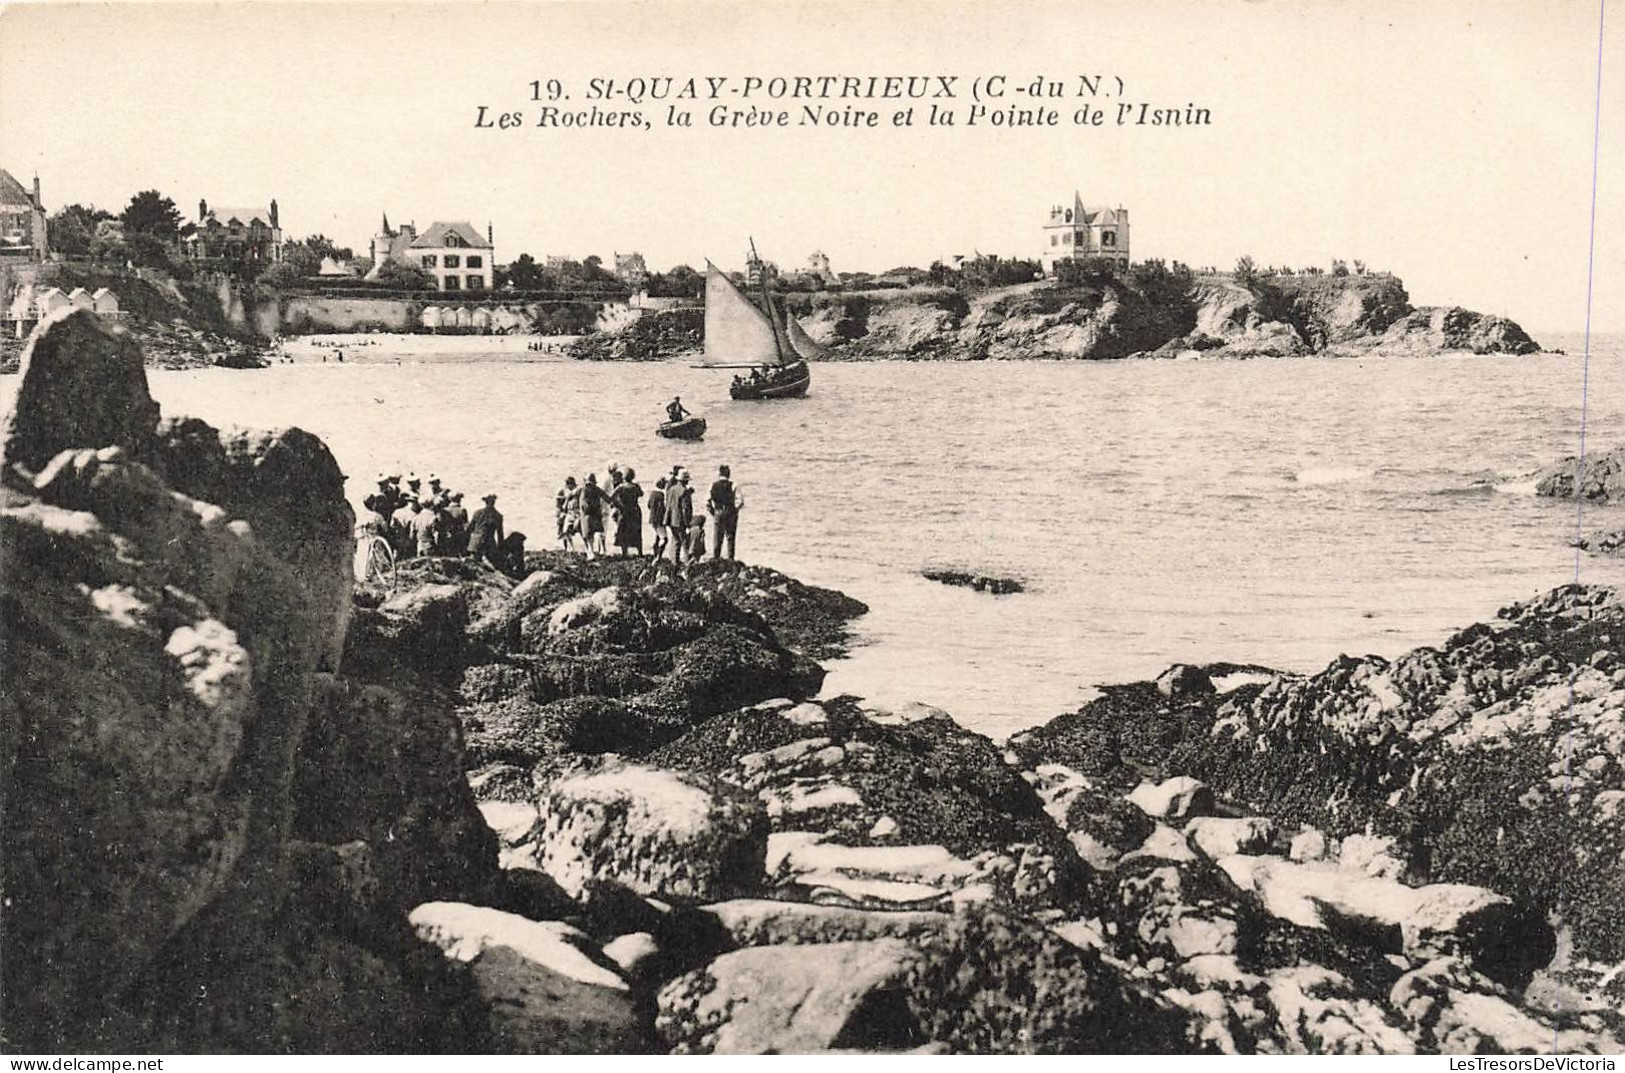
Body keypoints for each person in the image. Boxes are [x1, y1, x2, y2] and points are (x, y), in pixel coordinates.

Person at [352, 494, 394, 583]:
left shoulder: (360, 515)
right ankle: (376, 574)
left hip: (363, 539)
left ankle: (364, 576)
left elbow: (355, 527)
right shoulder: (377, 515)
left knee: (363, 557)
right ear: (374, 504)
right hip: (374, 539)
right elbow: (385, 528)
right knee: (377, 556)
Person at [707, 464, 739, 560]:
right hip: (730, 512)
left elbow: (707, 501)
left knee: (717, 536)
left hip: (718, 511)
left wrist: (712, 511)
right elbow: (740, 500)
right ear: (729, 474)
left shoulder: (713, 485)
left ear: (719, 474)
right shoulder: (733, 485)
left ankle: (716, 557)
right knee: (730, 536)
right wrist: (735, 510)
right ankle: (730, 559)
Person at [610, 466, 644, 556]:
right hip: (635, 510)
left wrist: (617, 505)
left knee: (623, 532)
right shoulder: (636, 486)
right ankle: (640, 552)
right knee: (637, 532)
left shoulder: (621, 487)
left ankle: (624, 552)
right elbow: (641, 494)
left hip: (624, 511)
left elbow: (611, 498)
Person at [467, 493, 505, 566]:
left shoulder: (477, 512)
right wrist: (500, 549)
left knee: (473, 565)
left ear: (485, 502)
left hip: (475, 543)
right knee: (494, 565)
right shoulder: (498, 516)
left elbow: (469, 528)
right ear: (494, 502)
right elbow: (500, 534)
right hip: (489, 544)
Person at [664, 469, 690, 563]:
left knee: (675, 540)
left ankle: (673, 562)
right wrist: (687, 524)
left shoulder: (671, 489)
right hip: (680, 520)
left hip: (670, 519)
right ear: (685, 480)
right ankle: (686, 564)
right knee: (685, 543)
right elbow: (685, 509)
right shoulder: (685, 491)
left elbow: (668, 502)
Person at [579, 473, 607, 557]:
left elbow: (583, 504)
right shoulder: (596, 489)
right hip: (595, 514)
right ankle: (600, 549)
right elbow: (607, 498)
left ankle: (591, 551)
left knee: (589, 534)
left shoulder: (584, 490)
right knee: (597, 532)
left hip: (588, 515)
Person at [647, 476, 668, 560]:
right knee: (664, 539)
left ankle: (655, 553)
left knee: (658, 536)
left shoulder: (652, 493)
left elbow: (649, 505)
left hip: (652, 518)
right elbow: (662, 508)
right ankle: (658, 556)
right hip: (658, 519)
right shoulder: (661, 495)